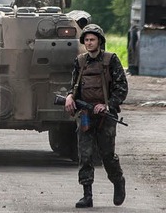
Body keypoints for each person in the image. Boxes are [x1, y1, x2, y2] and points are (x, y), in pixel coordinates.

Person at [64, 24, 128, 208]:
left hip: (106, 116)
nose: (89, 43)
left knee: (107, 155)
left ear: (99, 41)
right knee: (85, 154)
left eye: (92, 39)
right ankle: (87, 195)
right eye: (86, 40)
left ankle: (118, 181)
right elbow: (74, 85)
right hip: (85, 114)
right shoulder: (80, 61)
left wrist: (108, 105)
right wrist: (69, 97)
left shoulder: (111, 60)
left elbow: (121, 88)